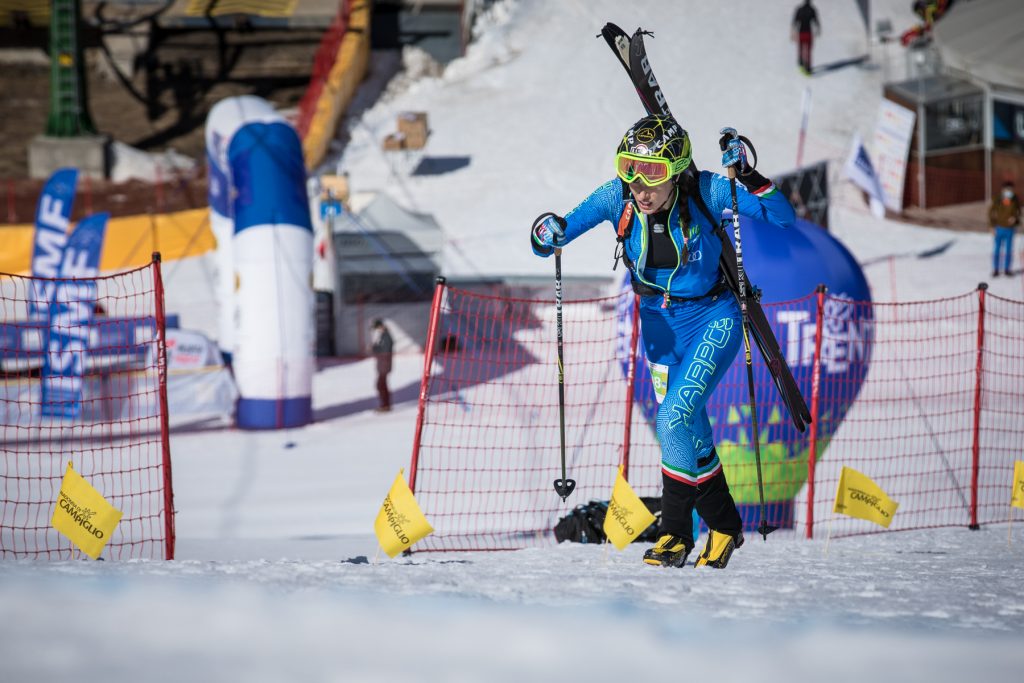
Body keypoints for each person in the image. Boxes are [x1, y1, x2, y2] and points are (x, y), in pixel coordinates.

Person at [531, 115, 795, 569]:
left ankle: (675, 534)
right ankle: (726, 528)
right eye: (629, 167)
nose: (639, 184)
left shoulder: (709, 190)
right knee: (688, 432)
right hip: (659, 327)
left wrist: (747, 174)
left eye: (652, 173)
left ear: (676, 169)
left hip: (714, 317)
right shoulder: (617, 196)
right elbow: (554, 236)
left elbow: (782, 217)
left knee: (673, 417)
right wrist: (545, 233)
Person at [989, 180, 1021, 277]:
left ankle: (1007, 269)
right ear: (1003, 190)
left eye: (1011, 189)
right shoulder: (997, 199)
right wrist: (991, 226)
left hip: (1010, 229)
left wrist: (1015, 220)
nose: (1009, 191)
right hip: (999, 228)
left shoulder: (1015, 199)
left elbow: (1018, 213)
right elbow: (991, 213)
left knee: (1008, 250)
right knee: (997, 249)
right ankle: (996, 269)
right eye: (1007, 189)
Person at [791, 0, 821, 75]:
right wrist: (818, 30)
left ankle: (801, 62)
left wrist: (793, 33)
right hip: (808, 32)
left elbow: (794, 22)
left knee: (800, 47)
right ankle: (808, 68)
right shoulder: (812, 10)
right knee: (808, 51)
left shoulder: (799, 9)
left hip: (801, 32)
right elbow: (816, 21)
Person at [370, 318, 394, 412]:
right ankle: (385, 404)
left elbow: (385, 350)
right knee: (382, 385)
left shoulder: (386, 336)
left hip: (384, 364)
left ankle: (385, 405)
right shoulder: (384, 335)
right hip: (383, 364)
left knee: (381, 385)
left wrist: (375, 348)